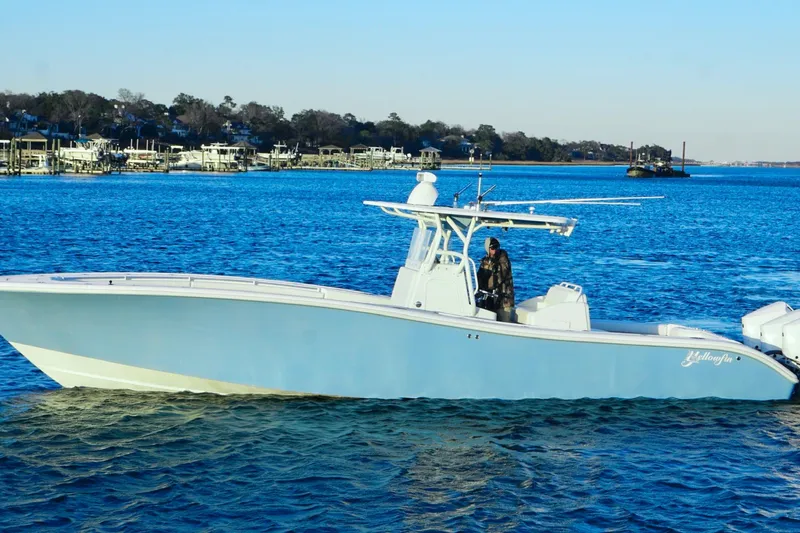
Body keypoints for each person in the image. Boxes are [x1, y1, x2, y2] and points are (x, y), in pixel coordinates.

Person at [476, 236, 515, 322]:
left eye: (497, 247)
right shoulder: (486, 261)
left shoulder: (503, 259)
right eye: (492, 248)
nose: (495, 250)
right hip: (489, 299)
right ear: (488, 248)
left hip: (504, 300)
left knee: (504, 322)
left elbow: (499, 277)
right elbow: (479, 278)